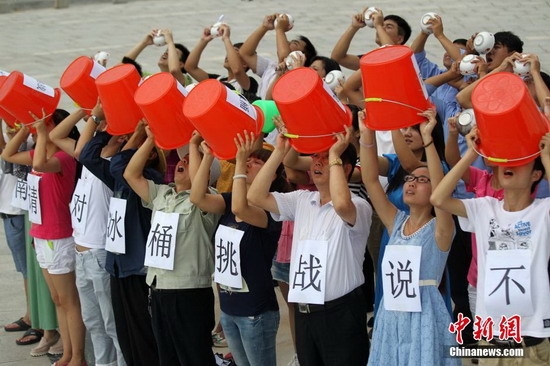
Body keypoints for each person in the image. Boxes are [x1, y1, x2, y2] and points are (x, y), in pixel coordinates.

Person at [248, 127, 372, 366]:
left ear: (344, 169)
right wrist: (279, 151)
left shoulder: (359, 206)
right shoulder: (303, 199)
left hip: (340, 312)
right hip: (305, 312)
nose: (317, 162)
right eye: (315, 156)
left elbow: (342, 205)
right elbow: (255, 196)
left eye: (326, 157)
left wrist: (335, 154)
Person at [431, 129, 550, 365]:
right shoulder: (484, 208)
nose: (510, 165)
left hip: (533, 343)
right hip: (491, 341)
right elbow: (438, 199)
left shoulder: (543, 211)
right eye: (506, 161)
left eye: (520, 162)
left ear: (536, 175)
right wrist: (471, 154)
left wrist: (546, 157)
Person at [361, 108, 459, 365]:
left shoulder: (442, 228)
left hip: (424, 318)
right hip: (391, 315)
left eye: (422, 179)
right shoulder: (396, 222)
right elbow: (370, 181)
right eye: (410, 178)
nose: (412, 182)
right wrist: (366, 135)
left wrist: (428, 138)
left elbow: (440, 193)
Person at [124, 128, 220, 366]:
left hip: (188, 292)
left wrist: (200, 148)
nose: (183, 161)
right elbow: (130, 174)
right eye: (183, 158)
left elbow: (199, 192)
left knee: (195, 357)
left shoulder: (207, 201)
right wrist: (151, 139)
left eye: (190, 160)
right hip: (158, 289)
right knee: (167, 358)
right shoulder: (162, 194)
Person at [190, 131, 285, 366]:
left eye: (258, 161)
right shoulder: (231, 200)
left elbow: (241, 209)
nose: (250, 162)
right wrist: (208, 156)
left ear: (271, 175)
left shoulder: (272, 210)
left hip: (256, 310)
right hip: (229, 308)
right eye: (249, 159)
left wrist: (240, 162)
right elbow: (197, 197)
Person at [1, 110, 85, 366]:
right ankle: (68, 353)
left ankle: (78, 357)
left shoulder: (64, 158)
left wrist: (40, 132)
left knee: (69, 301)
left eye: (47, 123)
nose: (42, 126)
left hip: (59, 236)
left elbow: (38, 166)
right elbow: (7, 155)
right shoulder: (42, 154)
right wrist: (25, 131)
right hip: (42, 234)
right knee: (57, 299)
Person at [79, 121, 162, 366]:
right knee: (125, 331)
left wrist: (137, 135)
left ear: (150, 155)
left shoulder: (149, 179)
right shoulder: (119, 178)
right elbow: (88, 156)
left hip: (138, 267)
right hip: (118, 264)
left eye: (133, 147)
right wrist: (106, 132)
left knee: (142, 333)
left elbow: (119, 165)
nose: (126, 147)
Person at [49, 104, 126, 366]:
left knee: (111, 323)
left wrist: (96, 118)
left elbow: (83, 150)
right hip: (80, 253)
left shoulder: (109, 166)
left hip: (99, 253)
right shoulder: (86, 163)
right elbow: (56, 136)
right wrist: (85, 111)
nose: (97, 130)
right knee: (93, 322)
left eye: (105, 127)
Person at [239, 14, 317, 100]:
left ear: (302, 56)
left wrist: (280, 29)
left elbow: (285, 59)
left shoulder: (295, 77)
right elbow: (245, 53)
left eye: (294, 43)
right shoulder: (270, 66)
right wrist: (264, 27)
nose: (286, 42)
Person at [184, 24, 258, 100]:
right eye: (229, 51)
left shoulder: (249, 83)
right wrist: (203, 41)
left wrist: (226, 39)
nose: (228, 55)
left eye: (234, 52)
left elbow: (237, 70)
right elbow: (190, 68)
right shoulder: (218, 80)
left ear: (245, 64)